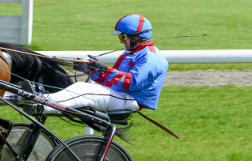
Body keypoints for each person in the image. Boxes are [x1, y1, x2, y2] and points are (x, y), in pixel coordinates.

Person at [33, 14, 169, 114]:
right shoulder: (129, 54)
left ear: (137, 37)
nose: (121, 41)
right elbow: (110, 81)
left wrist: (105, 69)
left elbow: (132, 83)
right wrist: (90, 70)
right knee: (76, 87)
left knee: (82, 89)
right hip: (119, 95)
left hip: (131, 99)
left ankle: (42, 104)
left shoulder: (151, 57)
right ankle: (33, 96)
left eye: (123, 36)